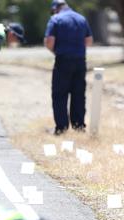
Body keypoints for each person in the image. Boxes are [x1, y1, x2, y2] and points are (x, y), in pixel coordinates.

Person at [44, 0, 93, 135]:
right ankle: (78, 126)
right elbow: (89, 41)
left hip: (63, 60)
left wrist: (56, 51)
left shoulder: (55, 19)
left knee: (60, 94)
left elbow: (49, 41)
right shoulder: (81, 18)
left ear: (55, 9)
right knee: (78, 94)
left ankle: (62, 128)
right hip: (80, 61)